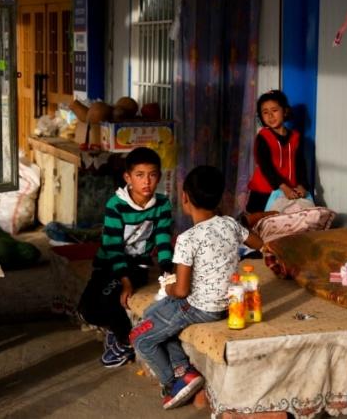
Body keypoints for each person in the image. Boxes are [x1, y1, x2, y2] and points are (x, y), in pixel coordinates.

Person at [131, 165, 268, 409]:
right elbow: (260, 244)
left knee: (141, 339)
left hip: (199, 307)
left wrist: (169, 286)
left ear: (184, 198)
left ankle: (173, 382)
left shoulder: (187, 239)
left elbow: (182, 291)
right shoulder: (230, 224)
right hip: (229, 302)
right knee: (155, 312)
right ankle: (185, 370)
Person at [77, 147, 174, 368]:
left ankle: (126, 341)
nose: (147, 181)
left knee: (111, 302)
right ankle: (119, 331)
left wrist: (167, 270)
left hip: (137, 265)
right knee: (87, 311)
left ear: (159, 176)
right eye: (140, 175)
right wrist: (125, 282)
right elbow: (112, 247)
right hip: (110, 263)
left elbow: (162, 240)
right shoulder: (116, 205)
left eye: (152, 175)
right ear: (128, 177)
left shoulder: (162, 204)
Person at [246, 89, 309, 213]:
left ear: (284, 111)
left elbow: (300, 163)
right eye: (265, 112)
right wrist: (283, 187)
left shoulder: (296, 137)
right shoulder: (263, 137)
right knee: (259, 227)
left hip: (290, 190)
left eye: (274, 110)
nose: (270, 116)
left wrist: (302, 184)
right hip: (263, 192)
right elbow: (265, 166)